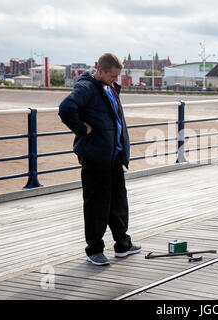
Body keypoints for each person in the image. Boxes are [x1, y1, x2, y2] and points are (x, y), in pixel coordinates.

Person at [58, 53, 141, 266]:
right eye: (112, 75)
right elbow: (66, 108)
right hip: (95, 157)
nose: (115, 79)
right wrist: (81, 128)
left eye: (117, 76)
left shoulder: (108, 87)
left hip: (113, 154)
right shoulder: (87, 87)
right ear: (100, 70)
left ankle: (123, 244)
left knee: (118, 202)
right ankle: (94, 250)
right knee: (97, 205)